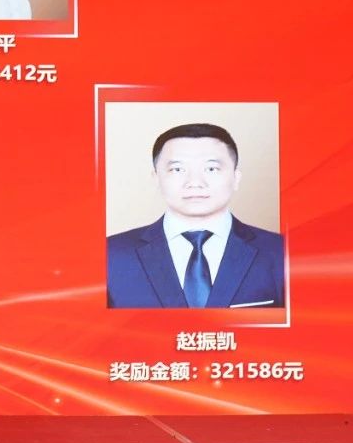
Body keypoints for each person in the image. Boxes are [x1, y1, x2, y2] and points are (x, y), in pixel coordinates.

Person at [106, 123, 286, 309]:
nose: (195, 183)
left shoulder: (281, 251)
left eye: (211, 169)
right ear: (156, 179)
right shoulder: (110, 254)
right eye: (178, 169)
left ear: (236, 178)